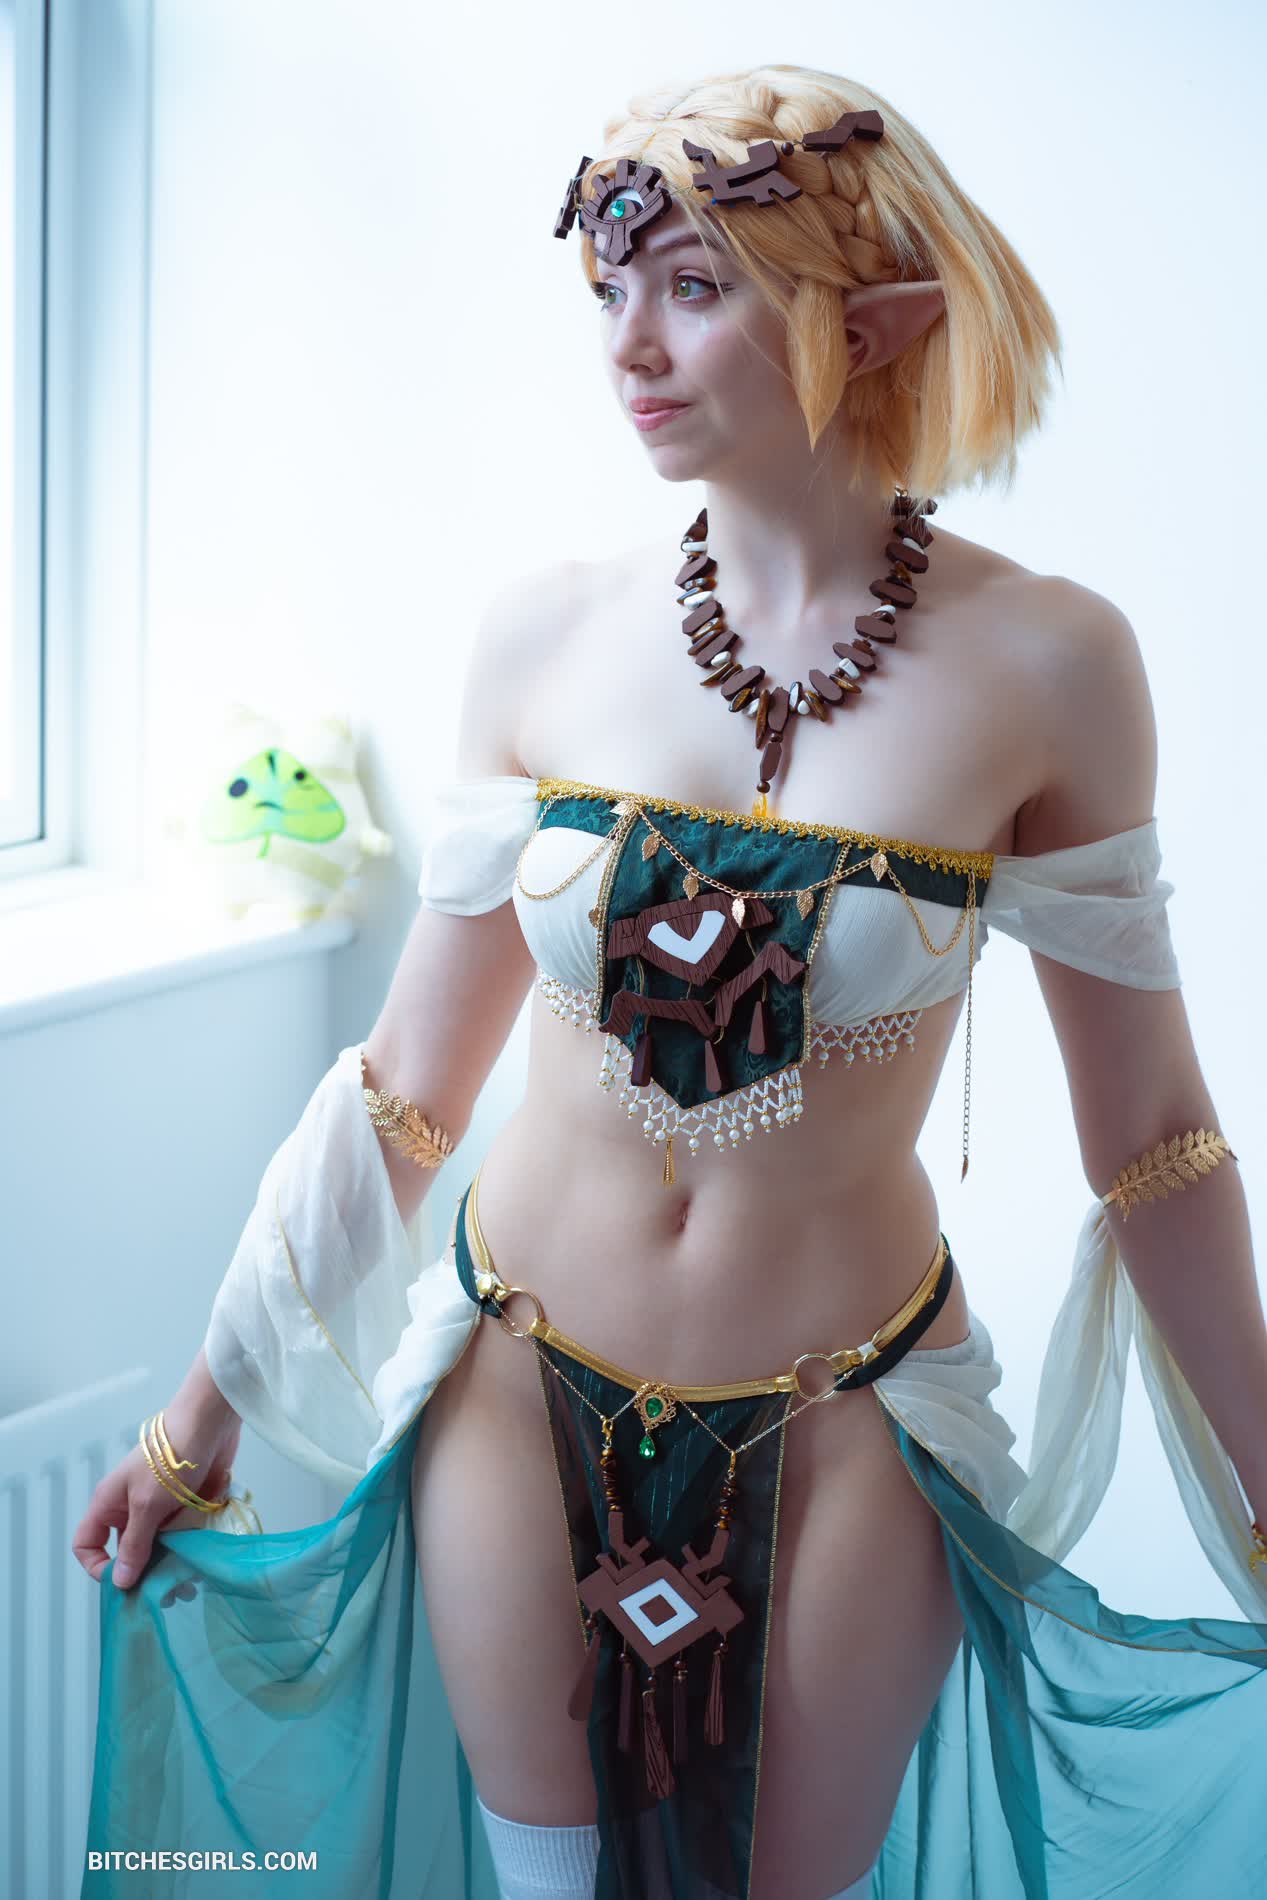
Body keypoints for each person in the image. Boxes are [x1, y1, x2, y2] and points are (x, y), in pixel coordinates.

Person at [72, 62, 1267, 1900]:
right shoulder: (545, 634)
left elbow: (1157, 1139)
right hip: (514, 1378)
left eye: (695, 288)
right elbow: (408, 1088)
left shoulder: (1052, 666)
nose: (628, 345)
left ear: (878, 323)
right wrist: (196, 1420)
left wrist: (1265, 1492)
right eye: (611, 288)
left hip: (856, 1411)